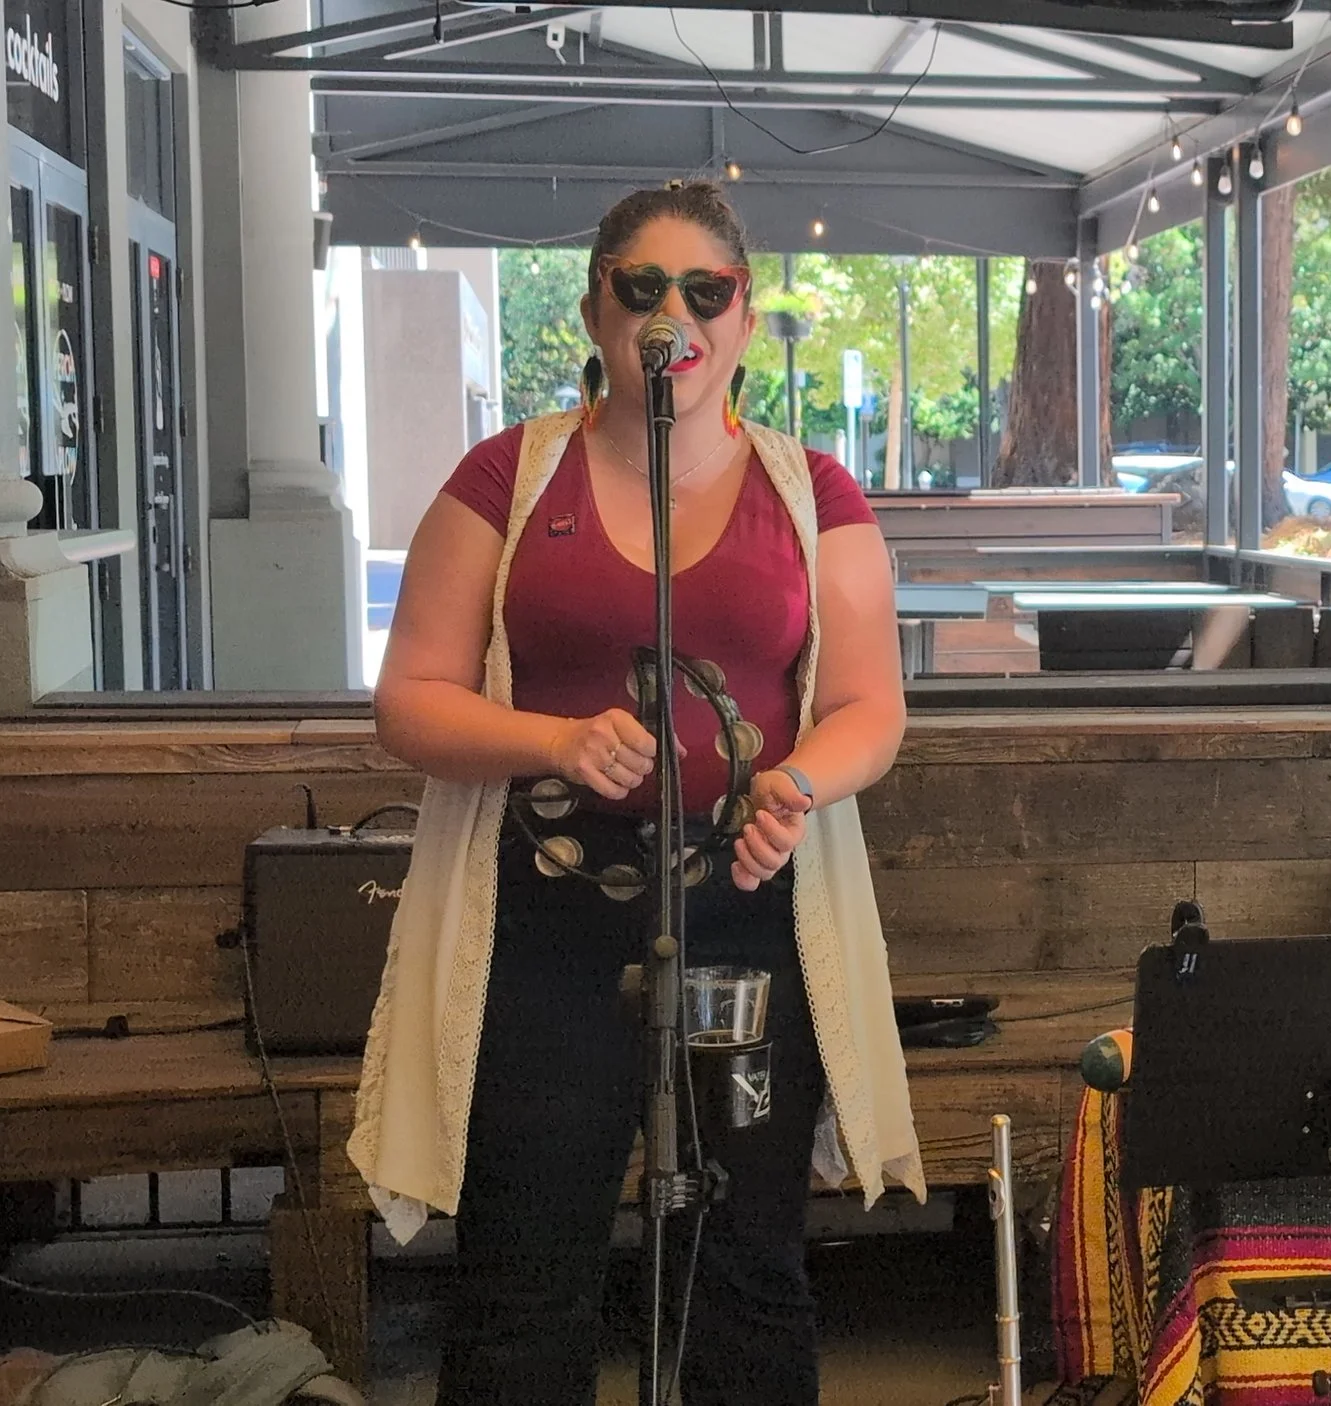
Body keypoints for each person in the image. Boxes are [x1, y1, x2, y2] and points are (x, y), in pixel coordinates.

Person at [348, 181, 925, 1405]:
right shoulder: (503, 476)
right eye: (643, 288)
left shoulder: (816, 491)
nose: (676, 315)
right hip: (549, 914)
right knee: (524, 1261)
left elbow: (873, 704)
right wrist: (551, 741)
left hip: (748, 911)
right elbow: (410, 698)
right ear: (595, 309)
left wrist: (794, 784)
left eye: (705, 291)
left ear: (746, 319)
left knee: (748, 1259)